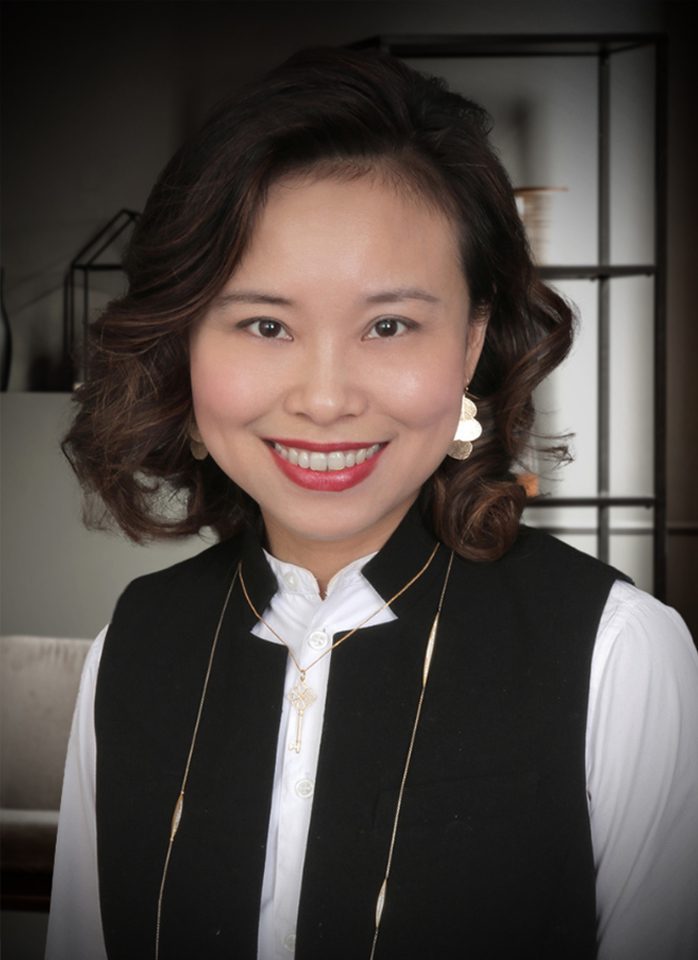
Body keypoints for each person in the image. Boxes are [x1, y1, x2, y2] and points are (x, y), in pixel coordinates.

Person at [46, 48, 697, 960]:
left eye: (389, 325)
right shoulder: (137, 644)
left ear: (471, 341)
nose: (324, 397)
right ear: (185, 341)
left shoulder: (619, 657)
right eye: (265, 324)